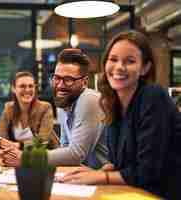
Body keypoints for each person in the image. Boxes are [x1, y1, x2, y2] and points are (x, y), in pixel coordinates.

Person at [59, 31, 181, 199]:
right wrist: (93, 174)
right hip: (135, 193)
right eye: (113, 59)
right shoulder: (111, 102)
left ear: (145, 67)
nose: (119, 67)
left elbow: (148, 171)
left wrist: (100, 176)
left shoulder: (153, 97)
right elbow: (118, 163)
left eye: (130, 61)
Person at [0, 48, 107, 168]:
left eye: (68, 80)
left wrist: (27, 158)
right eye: (57, 78)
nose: (60, 85)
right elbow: (65, 148)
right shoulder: (63, 103)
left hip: (105, 179)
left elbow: (76, 154)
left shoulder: (90, 99)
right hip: (80, 174)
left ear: (84, 82)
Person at [0, 71, 59, 150]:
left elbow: (42, 141)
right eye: (22, 86)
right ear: (13, 89)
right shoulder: (9, 108)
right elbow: (1, 136)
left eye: (31, 86)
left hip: (43, 156)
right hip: (14, 156)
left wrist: (19, 145)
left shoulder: (45, 108)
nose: (27, 90)